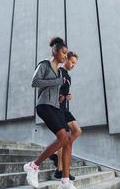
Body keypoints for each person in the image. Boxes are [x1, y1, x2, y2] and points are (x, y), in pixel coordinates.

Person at [24, 37, 76, 189]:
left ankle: (65, 181)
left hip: (55, 106)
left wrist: (63, 96)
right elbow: (35, 82)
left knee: (67, 139)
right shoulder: (44, 64)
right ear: (55, 51)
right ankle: (33, 166)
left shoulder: (60, 73)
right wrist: (56, 82)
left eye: (67, 53)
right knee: (62, 138)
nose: (66, 56)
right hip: (44, 105)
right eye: (64, 52)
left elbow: (56, 89)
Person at [50, 51, 82, 181]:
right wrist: (58, 97)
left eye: (75, 63)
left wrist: (67, 97)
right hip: (57, 108)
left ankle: (56, 154)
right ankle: (60, 170)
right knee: (66, 138)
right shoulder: (57, 72)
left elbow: (64, 92)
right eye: (72, 62)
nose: (74, 65)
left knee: (77, 131)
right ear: (66, 59)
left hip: (64, 109)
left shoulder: (68, 77)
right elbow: (51, 89)